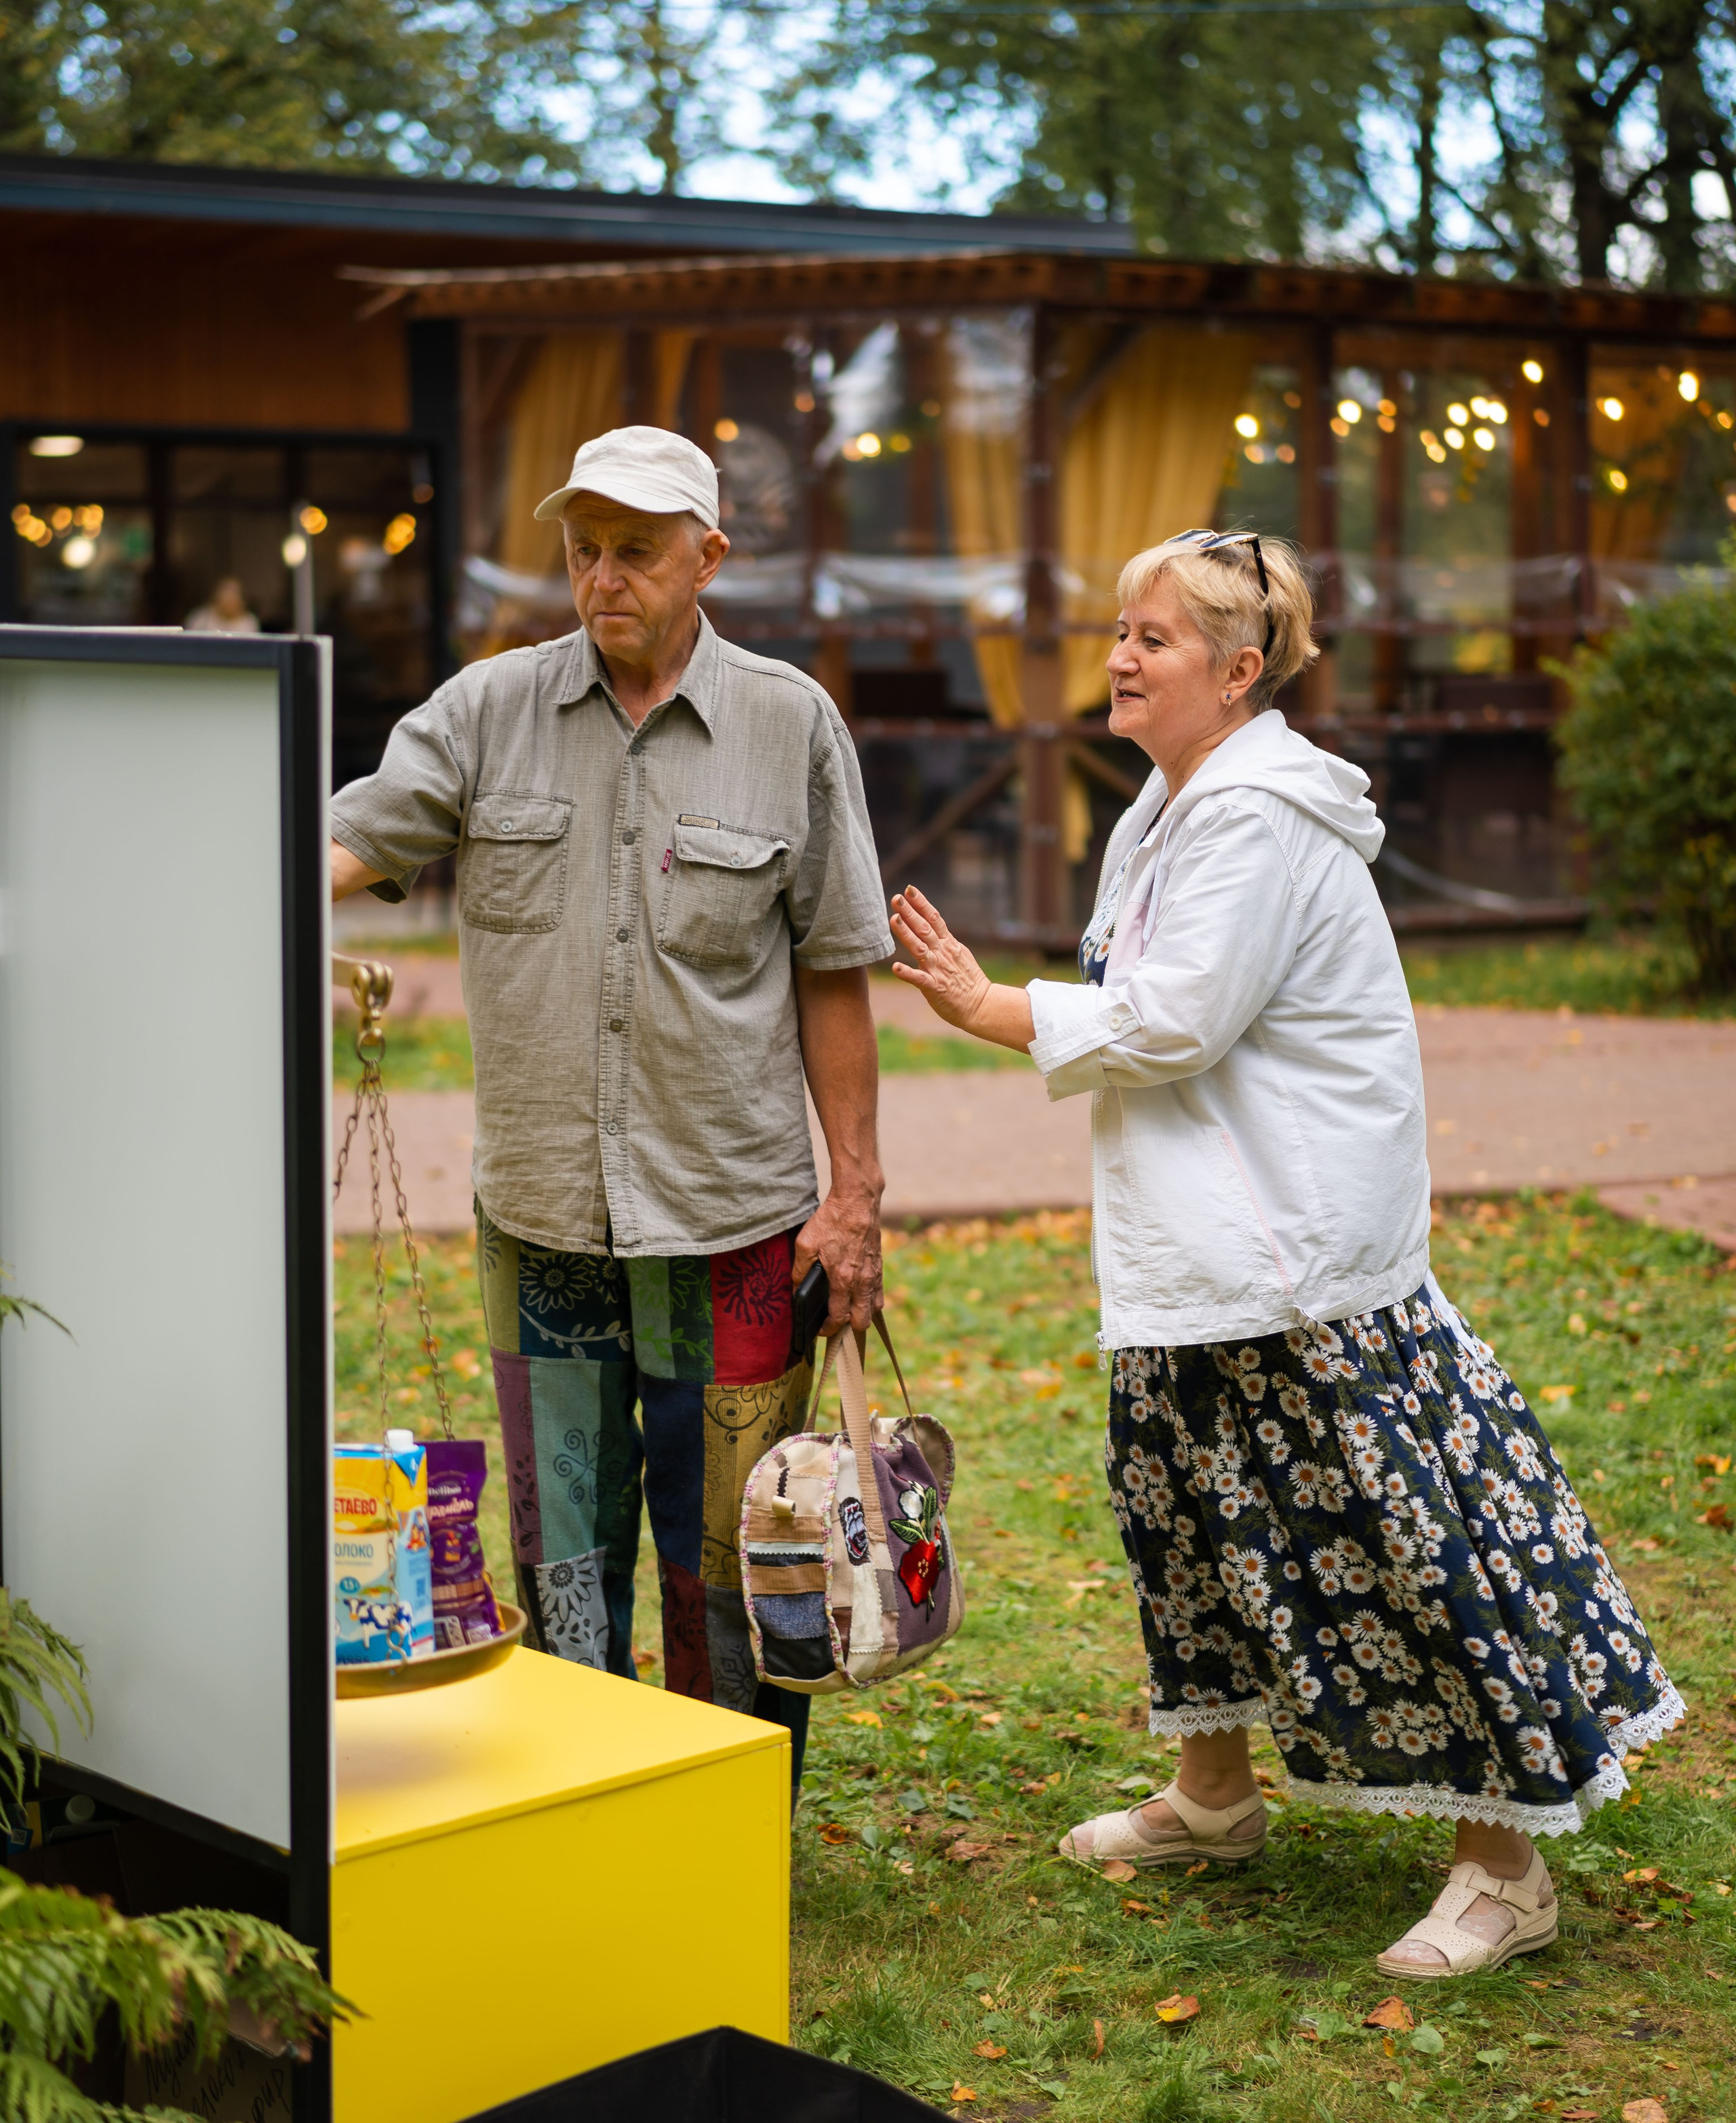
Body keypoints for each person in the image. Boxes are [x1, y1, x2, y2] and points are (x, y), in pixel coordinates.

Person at [888, 528, 1684, 1977]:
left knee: (1394, 1552)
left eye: (1154, 638)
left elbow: (1173, 1017)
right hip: (1193, 1252)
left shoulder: (1253, 815)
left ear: (1237, 669)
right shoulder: (1168, 804)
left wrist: (987, 1005)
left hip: (1297, 1264)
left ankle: (1502, 1870)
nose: (1119, 656)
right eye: (1120, 629)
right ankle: (1210, 1794)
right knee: (1181, 1520)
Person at [328, 426, 892, 1792]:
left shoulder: (784, 722)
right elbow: (347, 842)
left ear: (709, 555)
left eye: (635, 550)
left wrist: (853, 1197)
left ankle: (727, 1811)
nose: (601, 578)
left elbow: (831, 970)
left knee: (735, 1562)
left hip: (736, 1224)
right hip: (542, 1220)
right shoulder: (485, 710)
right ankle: (588, 1805)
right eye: (581, 550)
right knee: (560, 1555)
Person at [186, 576, 260, 634]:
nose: (230, 603)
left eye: (234, 597)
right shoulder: (200, 619)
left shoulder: (249, 622)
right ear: (216, 599)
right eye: (226, 598)